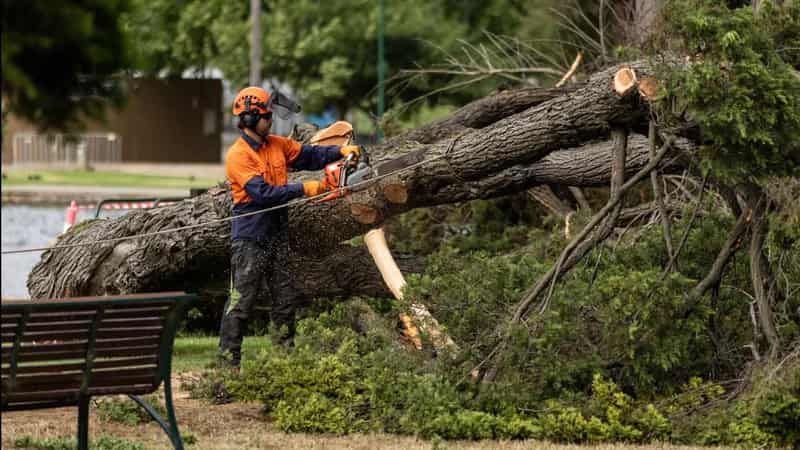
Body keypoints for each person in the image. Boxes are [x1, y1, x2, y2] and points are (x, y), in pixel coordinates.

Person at [219, 86, 360, 369]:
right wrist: (305, 188)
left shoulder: (277, 145)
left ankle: (284, 363)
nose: (270, 120)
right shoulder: (238, 155)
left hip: (277, 233)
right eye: (266, 115)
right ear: (248, 118)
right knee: (241, 302)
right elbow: (263, 194)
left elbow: (309, 155)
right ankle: (228, 366)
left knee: (285, 299)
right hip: (249, 236)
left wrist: (340, 151)